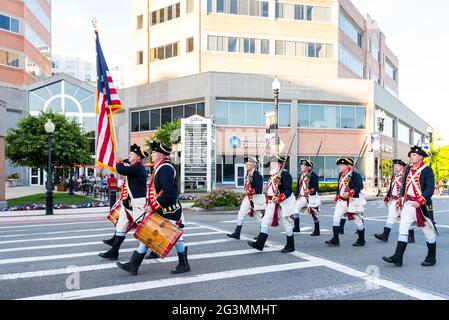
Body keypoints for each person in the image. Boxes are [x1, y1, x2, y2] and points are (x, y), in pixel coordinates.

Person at [117, 140, 189, 275]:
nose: (152, 155)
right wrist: (150, 204)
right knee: (148, 235)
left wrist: (154, 206)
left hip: (169, 211)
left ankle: (184, 264)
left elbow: (170, 193)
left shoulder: (166, 168)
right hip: (163, 209)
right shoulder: (161, 167)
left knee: (175, 238)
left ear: (161, 155)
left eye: (155, 152)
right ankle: (134, 265)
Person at [383, 145, 437, 267]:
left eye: (414, 155)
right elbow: (404, 187)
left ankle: (431, 257)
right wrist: (401, 199)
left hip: (421, 205)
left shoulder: (427, 170)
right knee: (403, 229)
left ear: (421, 157)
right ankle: (398, 257)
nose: (411, 157)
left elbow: (430, 189)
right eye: (411, 155)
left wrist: (420, 200)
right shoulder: (408, 169)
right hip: (408, 205)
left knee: (428, 232)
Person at [99, 144, 149, 260]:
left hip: (138, 204)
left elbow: (121, 169)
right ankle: (114, 252)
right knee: (121, 226)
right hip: (129, 204)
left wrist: (118, 163)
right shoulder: (135, 165)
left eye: (131, 154)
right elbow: (127, 163)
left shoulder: (138, 167)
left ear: (138, 157)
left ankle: (154, 249)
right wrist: (124, 160)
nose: (129, 156)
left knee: (144, 230)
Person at [248, 154, 296, 253]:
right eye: (272, 163)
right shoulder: (273, 175)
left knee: (286, 223)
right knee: (265, 221)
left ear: (280, 164)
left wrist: (279, 198)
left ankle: (290, 245)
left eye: (274, 163)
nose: (272, 164)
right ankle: (260, 243)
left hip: (281, 203)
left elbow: (288, 190)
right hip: (271, 203)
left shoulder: (285, 174)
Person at [325, 158, 365, 247]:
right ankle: (335, 238)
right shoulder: (341, 175)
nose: (340, 167)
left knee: (358, 220)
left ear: (348, 166)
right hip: (341, 201)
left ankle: (361, 239)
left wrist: (350, 192)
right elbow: (339, 187)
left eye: (342, 165)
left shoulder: (355, 175)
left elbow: (359, 186)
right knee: (336, 218)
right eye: (339, 165)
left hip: (352, 201)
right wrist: (337, 195)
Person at [374, 159, 416, 243]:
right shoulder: (394, 175)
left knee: (407, 218)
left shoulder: (407, 174)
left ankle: (411, 237)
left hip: (404, 200)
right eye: (395, 165)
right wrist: (387, 197)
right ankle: (385, 235)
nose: (395, 167)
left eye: (397, 165)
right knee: (390, 217)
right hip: (394, 200)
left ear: (402, 166)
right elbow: (391, 187)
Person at [227, 157, 264, 240]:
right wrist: (246, 192)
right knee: (241, 213)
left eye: (248, 164)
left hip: (256, 198)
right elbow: (247, 186)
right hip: (248, 198)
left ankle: (262, 235)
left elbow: (259, 189)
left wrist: (249, 192)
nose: (246, 165)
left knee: (259, 216)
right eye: (246, 164)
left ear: (253, 165)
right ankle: (237, 233)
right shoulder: (248, 174)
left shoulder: (257, 175)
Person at [293, 159, 321, 236]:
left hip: (311, 197)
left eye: (303, 166)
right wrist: (296, 195)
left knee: (314, 214)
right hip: (302, 197)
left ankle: (317, 230)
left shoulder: (313, 175)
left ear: (308, 167)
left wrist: (310, 190)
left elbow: (316, 187)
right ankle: (297, 227)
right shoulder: (301, 175)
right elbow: (298, 187)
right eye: (301, 165)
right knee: (295, 209)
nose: (301, 167)